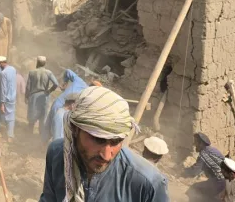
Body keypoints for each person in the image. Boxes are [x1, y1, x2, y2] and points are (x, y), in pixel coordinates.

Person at [39, 86, 169, 202]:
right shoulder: (57, 153)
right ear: (75, 129)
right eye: (98, 140)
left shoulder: (148, 183)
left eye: (116, 142)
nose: (107, 156)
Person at [42, 69, 88, 142]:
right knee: (58, 132)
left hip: (57, 103)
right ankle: (54, 149)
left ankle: (41, 143)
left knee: (49, 125)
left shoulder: (78, 80)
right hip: (65, 110)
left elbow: (67, 71)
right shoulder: (88, 92)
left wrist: (65, 82)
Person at [184, 132, 226, 201]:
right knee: (206, 193)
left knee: (194, 189)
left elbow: (194, 172)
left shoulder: (204, 154)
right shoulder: (213, 150)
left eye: (196, 142)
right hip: (224, 180)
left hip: (218, 182)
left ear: (201, 143)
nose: (194, 145)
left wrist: (182, 172)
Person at [25, 56, 59, 134]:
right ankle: (41, 136)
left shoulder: (32, 72)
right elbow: (56, 84)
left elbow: (28, 87)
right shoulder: (48, 72)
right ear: (45, 63)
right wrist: (49, 91)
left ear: (37, 62)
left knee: (32, 116)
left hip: (33, 96)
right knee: (42, 116)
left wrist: (26, 97)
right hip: (44, 96)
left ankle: (29, 134)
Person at [0, 56, 17, 142]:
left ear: (0, 63)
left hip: (5, 99)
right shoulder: (13, 69)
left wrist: (2, 103)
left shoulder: (3, 74)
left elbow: (3, 89)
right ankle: (10, 136)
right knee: (11, 116)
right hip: (12, 97)